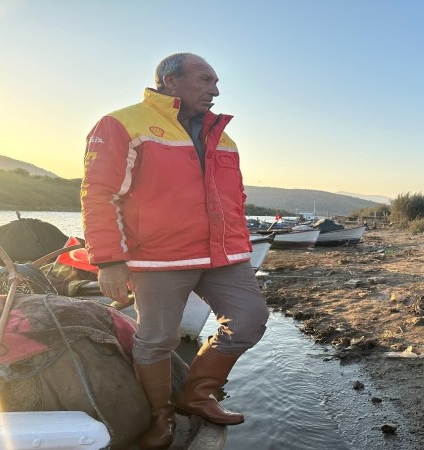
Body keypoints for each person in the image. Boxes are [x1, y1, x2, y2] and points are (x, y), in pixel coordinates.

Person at [81, 53, 269, 449]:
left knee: (250, 321)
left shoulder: (224, 137)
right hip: (158, 257)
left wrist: (241, 246)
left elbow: (235, 200)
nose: (215, 90)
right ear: (170, 80)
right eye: (205, 80)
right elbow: (100, 194)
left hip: (224, 257)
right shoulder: (122, 124)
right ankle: (160, 416)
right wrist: (110, 260)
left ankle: (196, 395)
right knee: (156, 340)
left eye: (216, 82)